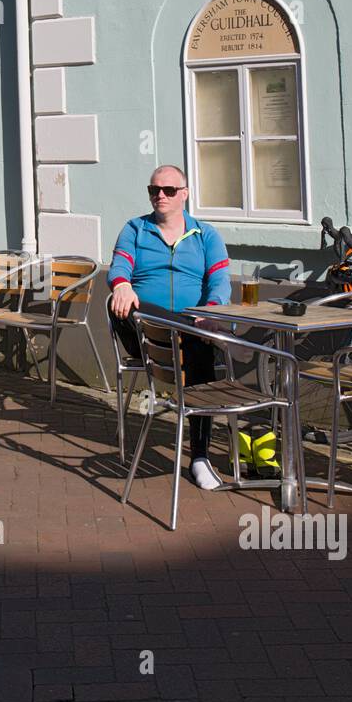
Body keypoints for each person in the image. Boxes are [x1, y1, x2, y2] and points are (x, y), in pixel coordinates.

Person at [108, 164, 232, 490]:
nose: (160, 196)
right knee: (127, 307)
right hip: (146, 331)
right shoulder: (135, 229)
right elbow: (120, 265)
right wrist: (121, 285)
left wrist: (213, 309)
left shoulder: (206, 235)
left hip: (192, 329)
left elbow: (220, 280)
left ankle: (200, 457)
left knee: (199, 347)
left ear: (185, 194)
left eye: (168, 190)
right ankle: (201, 338)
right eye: (154, 190)